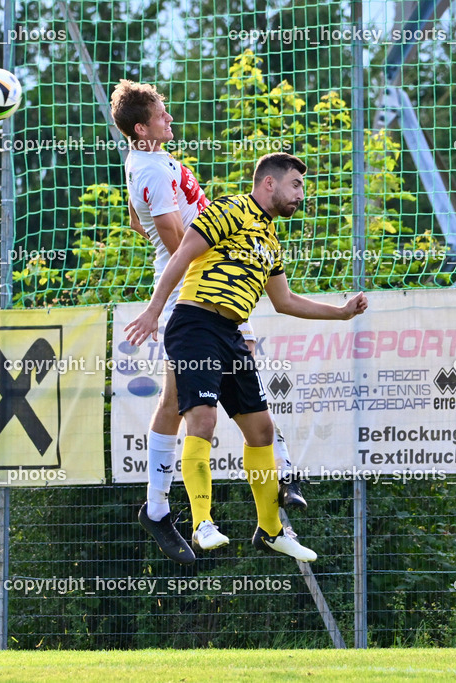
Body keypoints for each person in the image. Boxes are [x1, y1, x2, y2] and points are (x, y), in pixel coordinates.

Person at [125, 152, 368, 562]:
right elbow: (181, 254)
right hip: (194, 322)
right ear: (269, 183)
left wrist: (341, 313)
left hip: (231, 334)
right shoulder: (229, 209)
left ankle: (271, 531)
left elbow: (285, 300)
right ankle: (202, 523)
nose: (300, 196)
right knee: (201, 417)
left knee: (261, 432)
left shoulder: (271, 240)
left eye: (302, 189)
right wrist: (153, 310)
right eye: (296, 185)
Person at [111, 80, 305, 566]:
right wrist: (226, 236)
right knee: (205, 405)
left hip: (197, 287)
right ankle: (277, 484)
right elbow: (177, 236)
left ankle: (159, 507)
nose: (169, 120)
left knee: (176, 401)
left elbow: (142, 223)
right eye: (161, 115)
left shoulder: (151, 163)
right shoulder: (151, 168)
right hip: (193, 293)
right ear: (142, 127)